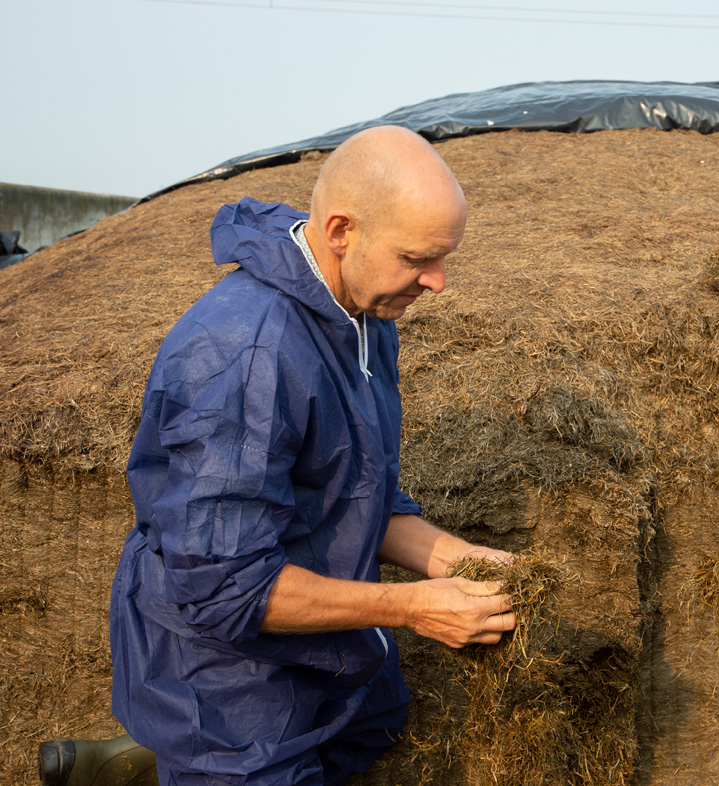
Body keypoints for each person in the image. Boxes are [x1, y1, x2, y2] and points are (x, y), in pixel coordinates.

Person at [40, 126, 516, 786]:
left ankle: (146, 763)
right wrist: (412, 607)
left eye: (444, 258)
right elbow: (227, 590)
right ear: (342, 230)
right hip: (224, 669)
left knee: (375, 724)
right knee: (251, 763)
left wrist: (463, 561)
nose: (437, 282)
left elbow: (361, 494)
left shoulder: (364, 318)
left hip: (311, 635)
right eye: (418, 258)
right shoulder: (246, 358)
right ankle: (180, 753)